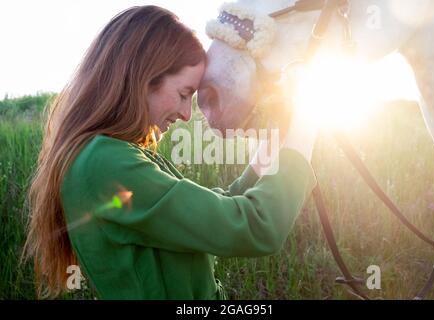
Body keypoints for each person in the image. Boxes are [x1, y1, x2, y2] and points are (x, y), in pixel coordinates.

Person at [23, 5, 318, 299]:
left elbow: (217, 209)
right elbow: (255, 226)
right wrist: (306, 125)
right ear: (143, 77)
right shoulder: (106, 164)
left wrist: (273, 144)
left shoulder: (106, 156)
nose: (187, 114)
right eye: (183, 94)